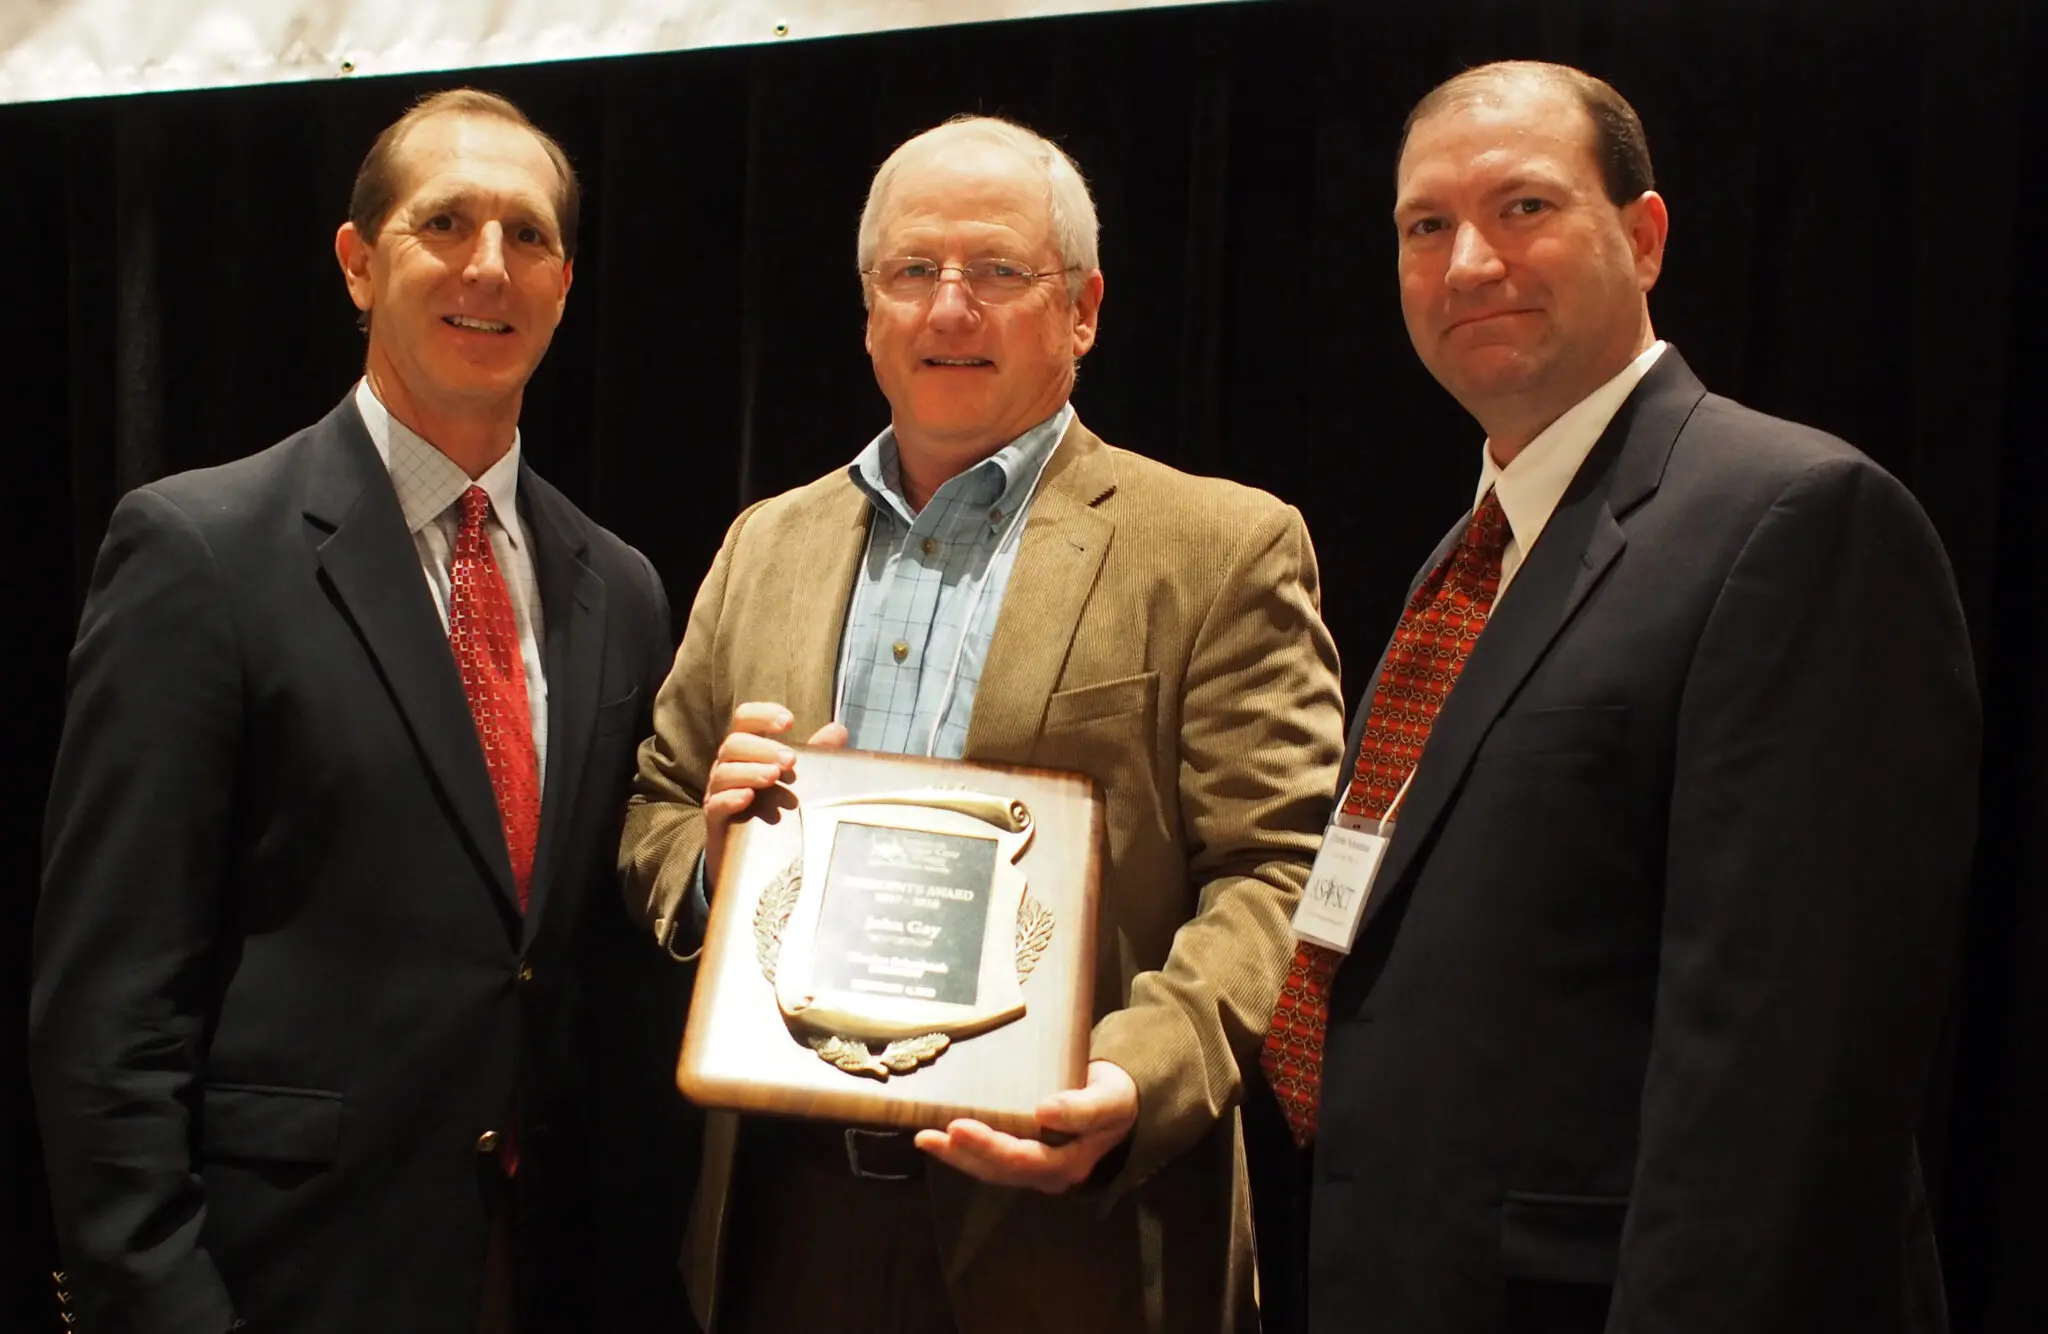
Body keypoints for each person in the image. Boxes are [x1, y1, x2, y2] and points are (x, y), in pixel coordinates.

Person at [1260, 61, 1979, 1334]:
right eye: (1424, 225)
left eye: (1522, 207)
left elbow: (1786, 1074)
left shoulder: (1795, 517)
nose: (1467, 262)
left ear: (1642, 237)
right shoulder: (1465, 555)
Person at [621, 114, 1344, 1333]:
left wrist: (1133, 1076)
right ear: (868, 307)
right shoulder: (763, 544)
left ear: (1083, 309)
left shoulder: (1218, 547)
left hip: (1078, 1241)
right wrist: (710, 859)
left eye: (998, 270)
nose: (949, 306)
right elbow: (657, 800)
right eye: (913, 269)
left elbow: (1279, 871)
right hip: (787, 1227)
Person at [31, 89, 677, 1334]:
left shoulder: (621, 587)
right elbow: (110, 1008)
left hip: (549, 1270)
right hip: (282, 1278)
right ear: (356, 263)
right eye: (444, 222)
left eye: (527, 234)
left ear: (563, 283)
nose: (488, 264)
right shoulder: (199, 551)